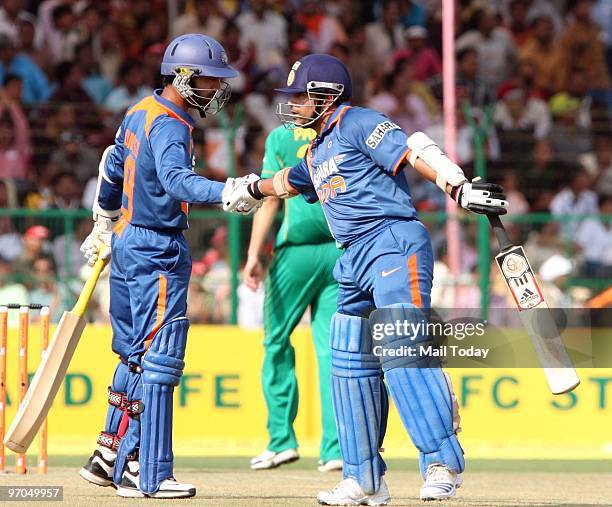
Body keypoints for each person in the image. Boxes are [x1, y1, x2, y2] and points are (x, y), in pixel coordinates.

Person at [223, 54, 508, 504]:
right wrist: (249, 189)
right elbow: (288, 182)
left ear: (326, 94)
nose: (293, 104)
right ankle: (363, 477)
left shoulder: (359, 122)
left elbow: (414, 150)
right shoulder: (316, 151)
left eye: (300, 96)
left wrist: (459, 187)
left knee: (401, 348)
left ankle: (443, 463)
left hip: (393, 240)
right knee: (349, 364)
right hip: (351, 256)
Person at [77, 33, 258, 499]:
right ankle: (147, 470)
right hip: (157, 248)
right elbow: (178, 181)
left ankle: (108, 455)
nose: (217, 89)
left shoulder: (139, 110)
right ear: (184, 76)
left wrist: (103, 222)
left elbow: (112, 165)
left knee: (133, 355)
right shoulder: (172, 124)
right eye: (210, 79)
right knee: (161, 358)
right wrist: (225, 191)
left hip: (127, 242)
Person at [244, 124, 342, 472]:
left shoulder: (281, 137)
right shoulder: (341, 131)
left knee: (275, 341)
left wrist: (253, 254)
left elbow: (270, 197)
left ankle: (281, 441)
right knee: (334, 352)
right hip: (339, 250)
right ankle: (336, 450)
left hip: (295, 252)